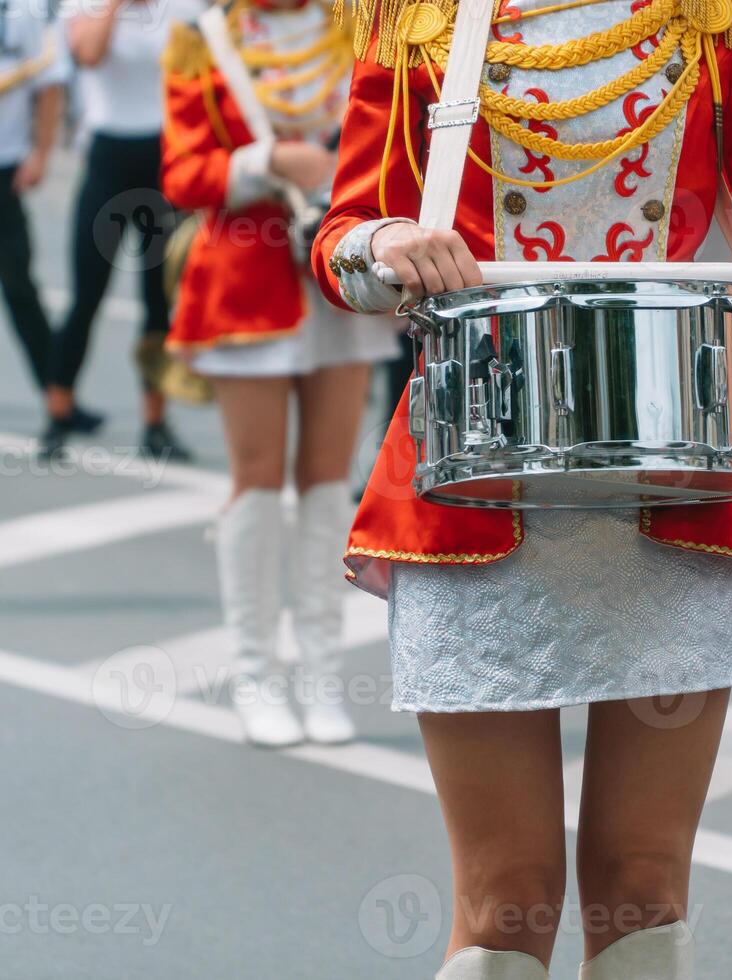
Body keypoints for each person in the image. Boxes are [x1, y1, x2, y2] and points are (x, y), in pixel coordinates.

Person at [311, 0, 732, 976]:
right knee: (505, 897)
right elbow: (345, 232)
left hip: (678, 471)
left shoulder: (721, 14)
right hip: (476, 478)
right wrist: (385, 241)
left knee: (643, 883)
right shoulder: (424, 14)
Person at [159, 0, 399, 747]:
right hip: (246, 283)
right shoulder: (202, 38)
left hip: (340, 277)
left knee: (329, 484)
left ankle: (321, 676)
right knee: (257, 482)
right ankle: (256, 675)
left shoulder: (359, 25)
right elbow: (182, 176)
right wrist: (268, 162)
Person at [41, 0, 203, 462]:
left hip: (162, 157)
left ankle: (155, 422)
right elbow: (87, 53)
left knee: (157, 300)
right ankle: (58, 411)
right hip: (107, 156)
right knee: (86, 293)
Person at [0, 0, 91, 433]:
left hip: (6, 166)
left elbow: (49, 84)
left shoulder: (26, 10)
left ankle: (55, 391)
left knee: (19, 285)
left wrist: (40, 152)